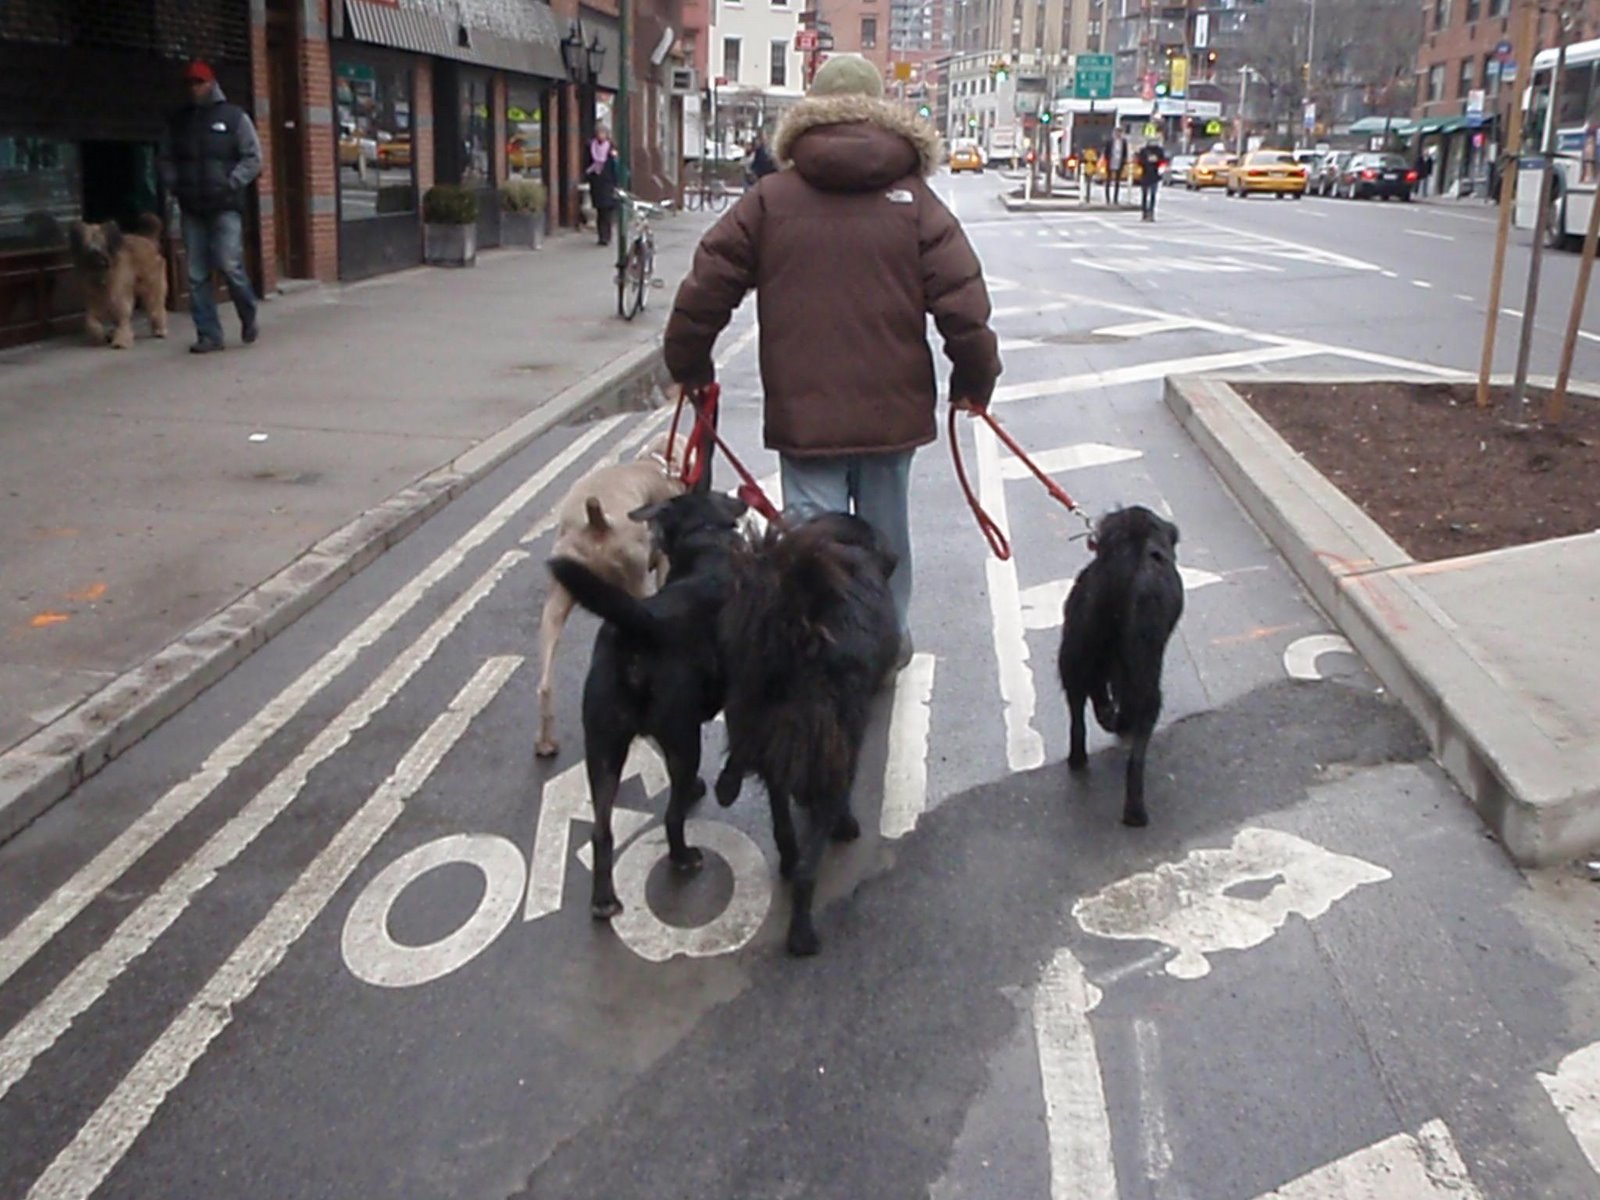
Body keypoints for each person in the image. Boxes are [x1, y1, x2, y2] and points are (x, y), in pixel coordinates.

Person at [663, 55, 1001, 669]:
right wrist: (974, 379)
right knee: (884, 535)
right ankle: (885, 643)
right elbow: (963, 303)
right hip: (889, 412)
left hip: (804, 411)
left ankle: (812, 646)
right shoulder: (916, 201)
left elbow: (708, 284)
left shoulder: (770, 199)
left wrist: (688, 362)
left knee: (808, 539)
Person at [159, 60, 262, 354]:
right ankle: (209, 334)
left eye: (199, 82)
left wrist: (231, 183)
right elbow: (165, 157)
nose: (194, 88)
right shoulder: (178, 122)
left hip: (225, 205)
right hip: (192, 206)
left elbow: (253, 157)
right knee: (196, 274)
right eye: (190, 83)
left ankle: (248, 312)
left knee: (229, 264)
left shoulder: (233, 117)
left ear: (211, 83)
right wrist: (173, 183)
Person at [587, 126, 620, 246]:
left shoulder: (611, 149)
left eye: (603, 133)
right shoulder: (591, 147)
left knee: (607, 211)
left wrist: (616, 184)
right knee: (600, 211)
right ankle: (601, 236)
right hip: (596, 183)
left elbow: (615, 167)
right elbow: (588, 163)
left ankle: (607, 236)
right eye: (599, 133)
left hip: (608, 183)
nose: (600, 135)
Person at [1136, 138, 1165, 221]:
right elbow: (1139, 161)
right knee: (1144, 195)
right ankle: (1144, 213)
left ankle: (1151, 213)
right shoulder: (1144, 151)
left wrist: (1158, 162)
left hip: (1155, 176)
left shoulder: (1159, 151)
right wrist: (1146, 161)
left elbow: (1163, 161)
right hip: (1145, 175)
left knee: (1153, 195)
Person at [1103, 128, 1129, 205]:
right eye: (1117, 133)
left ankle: (1115, 199)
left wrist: (1124, 162)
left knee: (1117, 182)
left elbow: (1125, 153)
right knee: (1108, 180)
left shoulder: (1124, 142)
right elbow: (1106, 152)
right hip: (1111, 162)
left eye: (1120, 133)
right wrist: (1107, 160)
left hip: (1119, 162)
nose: (1118, 134)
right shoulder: (1110, 142)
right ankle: (1107, 198)